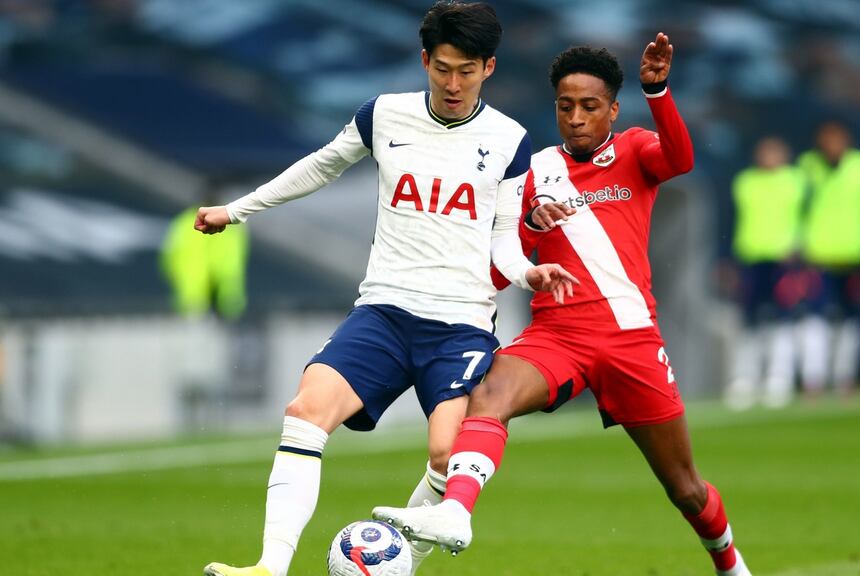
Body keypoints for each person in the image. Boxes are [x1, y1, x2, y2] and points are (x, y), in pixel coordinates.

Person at [196, 3, 577, 576]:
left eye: (466, 71)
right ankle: (269, 567)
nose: (453, 84)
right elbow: (321, 166)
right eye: (442, 68)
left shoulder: (509, 140)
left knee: (448, 455)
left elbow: (503, 242)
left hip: (459, 324)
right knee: (305, 411)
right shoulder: (384, 115)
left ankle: (400, 566)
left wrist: (528, 274)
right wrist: (236, 210)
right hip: (384, 311)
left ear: (489, 68)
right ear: (425, 60)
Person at [374, 34, 751, 575]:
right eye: (565, 106)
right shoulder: (531, 171)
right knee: (489, 396)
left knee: (685, 488)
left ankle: (731, 565)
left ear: (613, 110)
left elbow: (681, 159)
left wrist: (659, 92)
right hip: (558, 337)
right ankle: (456, 512)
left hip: (631, 339)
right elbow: (500, 269)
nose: (575, 118)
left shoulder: (635, 149)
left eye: (589, 106)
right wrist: (529, 227)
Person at [797, 121, 860, 398]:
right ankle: (814, 379)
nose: (833, 145)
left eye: (838, 139)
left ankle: (845, 377)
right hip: (818, 256)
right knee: (815, 317)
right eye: (827, 139)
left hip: (854, 255)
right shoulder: (807, 167)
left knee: (853, 320)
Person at [724, 137, 805, 410]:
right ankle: (744, 379)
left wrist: (799, 247)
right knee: (748, 322)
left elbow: (809, 217)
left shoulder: (796, 181)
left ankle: (779, 378)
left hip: (784, 262)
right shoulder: (745, 182)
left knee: (783, 321)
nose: (769, 157)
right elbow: (733, 219)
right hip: (751, 259)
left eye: (774, 152)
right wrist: (729, 259)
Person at [161, 194, 249, 321]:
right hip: (200, 295)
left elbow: (169, 258)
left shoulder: (184, 222)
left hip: (222, 294)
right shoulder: (233, 223)